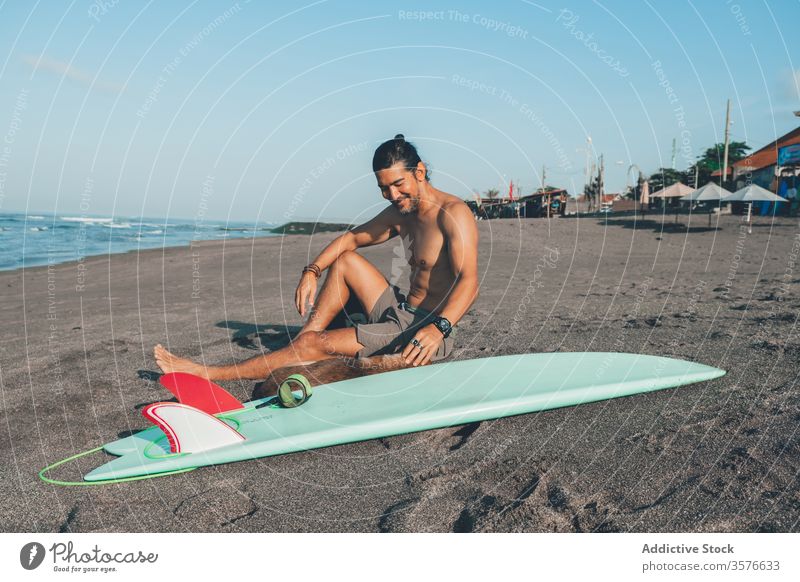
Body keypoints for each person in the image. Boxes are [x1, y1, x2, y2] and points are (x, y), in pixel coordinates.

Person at [154, 134, 479, 381]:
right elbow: (351, 239)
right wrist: (311, 270)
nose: (392, 195)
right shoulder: (401, 213)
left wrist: (440, 328)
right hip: (401, 311)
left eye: (398, 184)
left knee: (315, 344)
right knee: (344, 261)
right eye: (384, 188)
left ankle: (208, 373)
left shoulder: (453, 214)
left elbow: (469, 281)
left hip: (424, 330)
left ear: (419, 172)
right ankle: (302, 346)